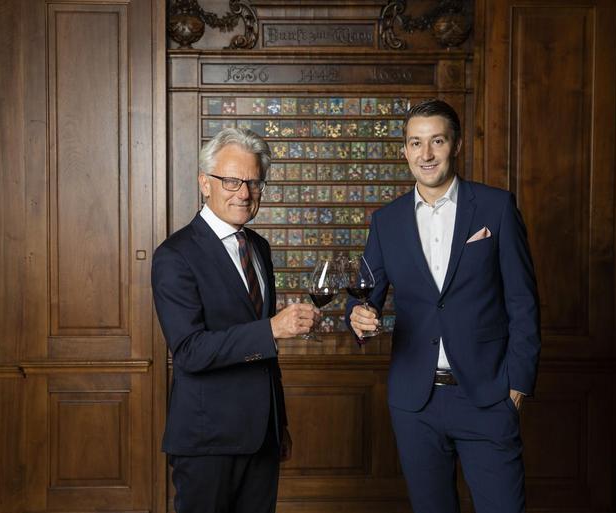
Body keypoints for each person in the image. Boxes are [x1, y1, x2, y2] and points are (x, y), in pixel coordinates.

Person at [347, 99, 540, 513]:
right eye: (415, 143)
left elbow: (523, 301)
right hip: (415, 401)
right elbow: (365, 298)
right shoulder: (386, 221)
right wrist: (358, 317)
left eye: (436, 141)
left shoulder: (496, 207)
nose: (426, 154)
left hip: (487, 396)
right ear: (404, 150)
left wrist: (517, 385)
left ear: (456, 145)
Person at [152, 127, 319, 513]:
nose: (243, 193)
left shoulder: (258, 247)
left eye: (253, 182)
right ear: (204, 184)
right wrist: (273, 328)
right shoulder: (174, 256)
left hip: (262, 435)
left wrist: (280, 423)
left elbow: (265, 357)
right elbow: (190, 351)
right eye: (230, 181)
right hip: (207, 440)